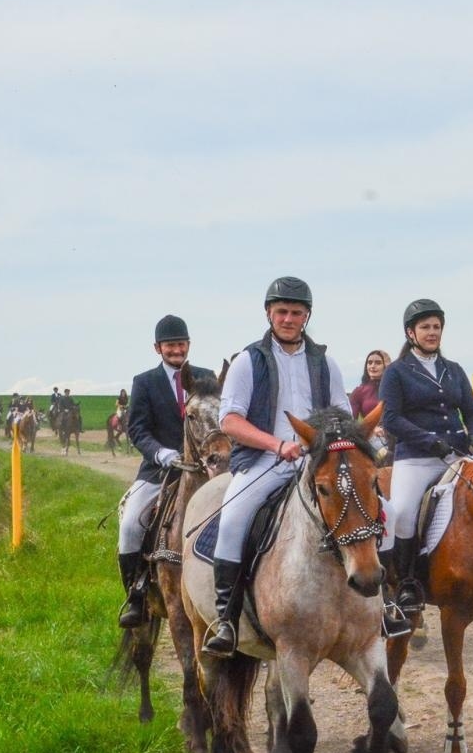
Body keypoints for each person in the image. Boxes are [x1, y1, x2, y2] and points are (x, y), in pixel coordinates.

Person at [201, 277, 353, 657]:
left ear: (307, 316)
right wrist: (276, 443)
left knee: (368, 512)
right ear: (269, 313)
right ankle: (226, 619)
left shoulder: (325, 363)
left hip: (319, 462)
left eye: (296, 312)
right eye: (281, 311)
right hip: (265, 459)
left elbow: (343, 414)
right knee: (234, 517)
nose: (288, 318)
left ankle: (382, 605)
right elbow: (230, 421)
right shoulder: (247, 361)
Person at [378, 299, 473, 622]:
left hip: (456, 454)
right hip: (416, 459)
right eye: (425, 327)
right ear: (411, 332)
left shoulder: (454, 370)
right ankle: (408, 584)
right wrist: (428, 440)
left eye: (436, 326)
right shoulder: (396, 372)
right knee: (404, 514)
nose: (432, 332)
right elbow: (391, 419)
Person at [118, 314, 216, 630]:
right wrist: (161, 453)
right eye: (170, 345)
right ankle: (136, 592)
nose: (176, 349)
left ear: (189, 345)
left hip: (204, 469)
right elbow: (137, 428)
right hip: (159, 471)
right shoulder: (144, 382)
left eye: (181, 343)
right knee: (131, 524)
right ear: (157, 348)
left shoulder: (206, 376)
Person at [349, 350, 390, 419]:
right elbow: (351, 421)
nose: (372, 366)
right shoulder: (359, 392)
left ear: (386, 365)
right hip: (369, 429)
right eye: (369, 363)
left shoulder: (396, 388)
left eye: (378, 363)